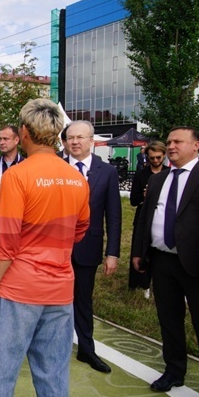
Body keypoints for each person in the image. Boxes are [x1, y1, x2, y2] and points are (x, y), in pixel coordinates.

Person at [0, 98, 90, 397]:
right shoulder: (77, 177)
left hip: (19, 289)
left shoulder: (17, 175)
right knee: (53, 374)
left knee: (0, 373)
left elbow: (7, 243)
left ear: (24, 132)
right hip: (60, 289)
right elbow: (81, 228)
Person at [131, 127, 199, 397]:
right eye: (168, 141)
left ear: (196, 145)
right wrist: (139, 251)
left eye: (178, 141)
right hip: (162, 261)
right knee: (169, 320)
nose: (171, 146)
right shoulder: (159, 179)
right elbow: (145, 217)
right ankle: (174, 370)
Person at [67, 120, 121, 373]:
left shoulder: (107, 172)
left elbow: (114, 215)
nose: (75, 142)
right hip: (54, 247)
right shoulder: (55, 166)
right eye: (70, 137)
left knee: (83, 300)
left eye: (80, 137)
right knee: (49, 299)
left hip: (88, 246)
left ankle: (86, 349)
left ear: (91, 141)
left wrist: (112, 253)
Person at [0, 125, 24, 279]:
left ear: (16, 140)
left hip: (19, 229)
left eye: (6, 139)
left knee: (17, 272)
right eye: (0, 139)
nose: (1, 142)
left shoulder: (27, 166)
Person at [129, 140, 168, 295]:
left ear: (164, 155)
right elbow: (133, 200)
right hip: (143, 217)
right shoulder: (141, 175)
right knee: (140, 250)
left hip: (163, 218)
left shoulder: (170, 173)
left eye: (159, 157)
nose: (156, 160)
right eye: (152, 158)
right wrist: (144, 196)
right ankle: (140, 283)